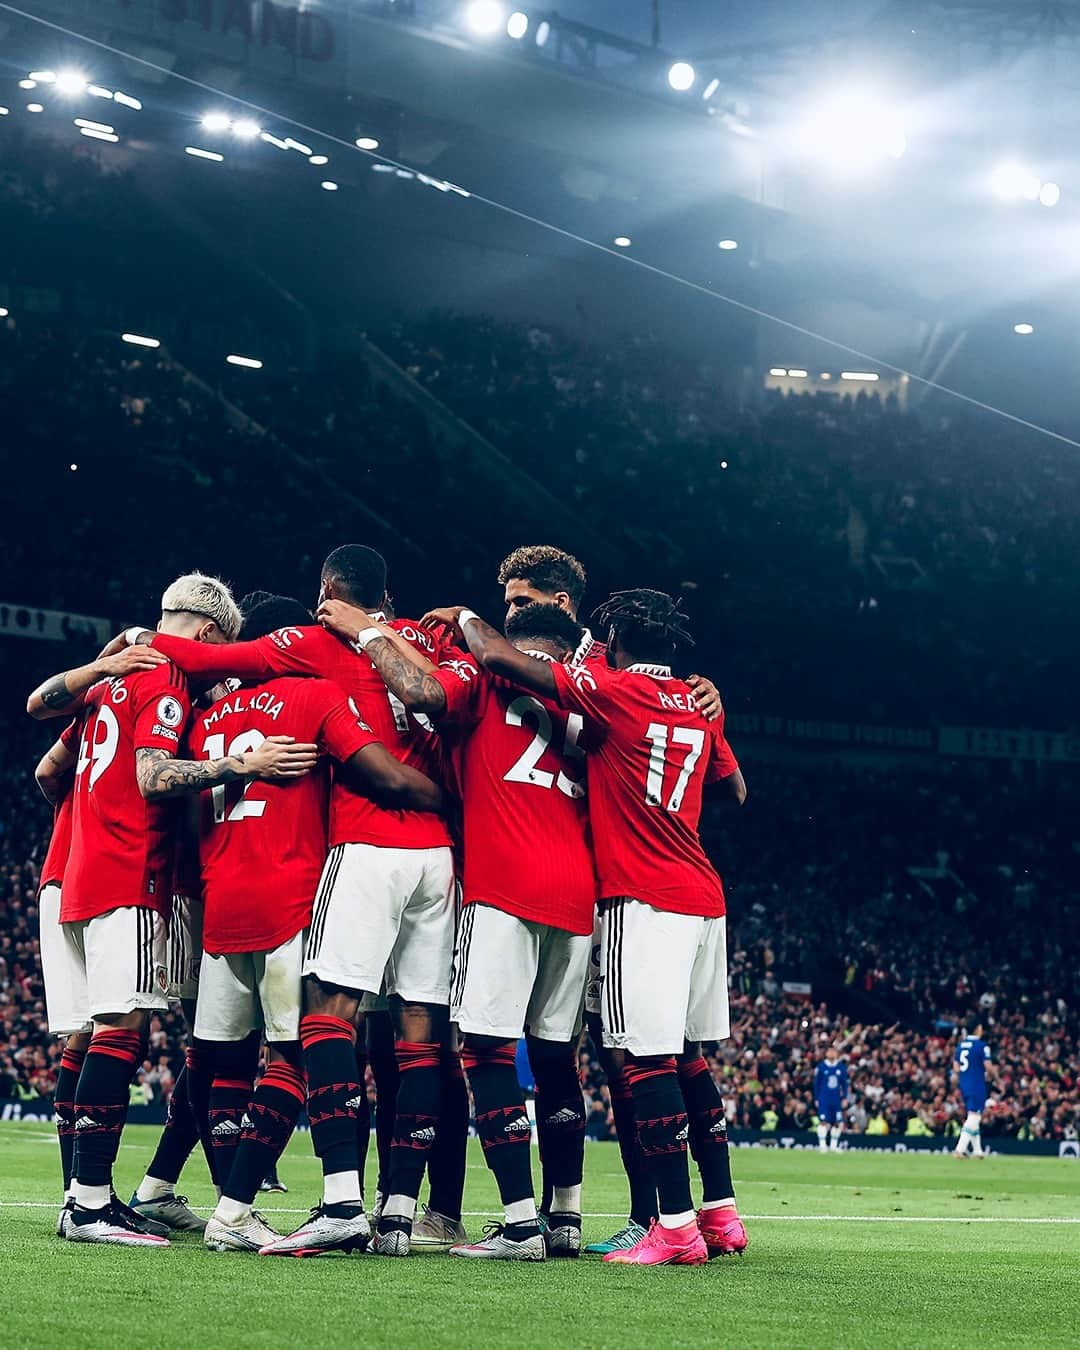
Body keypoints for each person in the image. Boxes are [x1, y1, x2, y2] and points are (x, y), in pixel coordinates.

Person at [128, 547, 457, 1257]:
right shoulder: (318, 694)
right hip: (296, 899)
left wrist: (133, 642)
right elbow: (384, 771)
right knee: (311, 1050)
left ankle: (217, 1202)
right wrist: (454, 805)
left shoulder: (201, 724)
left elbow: (170, 778)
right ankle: (360, 1202)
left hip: (221, 904)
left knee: (213, 1060)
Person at [419, 588, 748, 1268]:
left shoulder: (610, 690)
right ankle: (720, 1214)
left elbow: (501, 659)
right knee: (687, 1057)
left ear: (620, 642)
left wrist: (465, 617)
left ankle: (675, 1228)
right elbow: (735, 789)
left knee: (642, 1060)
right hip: (703, 892)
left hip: (640, 894)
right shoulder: (694, 700)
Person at [27, 573, 313, 1246]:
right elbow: (155, 777)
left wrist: (91, 822)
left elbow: (45, 765)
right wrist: (246, 763)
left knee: (92, 1032)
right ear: (213, 635)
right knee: (124, 1026)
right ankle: (92, 1204)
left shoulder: (111, 680)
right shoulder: (165, 683)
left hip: (72, 868)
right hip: (129, 872)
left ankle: (83, 1193)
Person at [320, 598, 594, 1261]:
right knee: (557, 1059)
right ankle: (565, 1218)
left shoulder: (487, 679)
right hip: (579, 892)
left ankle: (521, 1224)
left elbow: (419, 690)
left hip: (505, 882)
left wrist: (368, 629)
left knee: (486, 1054)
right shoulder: (591, 700)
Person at [497, 546, 725, 1254]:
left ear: (563, 602)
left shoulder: (599, 674)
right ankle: (700, 1210)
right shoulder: (644, 683)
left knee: (631, 1054)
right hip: (601, 885)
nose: (514, 612)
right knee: (617, 1051)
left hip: (622, 890)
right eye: (505, 602)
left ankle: (658, 1215)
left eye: (524, 599)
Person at [954, 1024, 993, 1159]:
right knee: (974, 1116)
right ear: (977, 1028)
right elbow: (988, 1066)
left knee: (973, 1115)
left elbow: (956, 1067)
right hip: (976, 1084)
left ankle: (978, 1151)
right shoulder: (982, 1046)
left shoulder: (961, 1045)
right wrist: (995, 1077)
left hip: (964, 1084)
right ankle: (960, 1149)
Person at [813, 1048, 849, 1152]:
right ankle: (822, 1145)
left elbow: (844, 1085)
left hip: (836, 1099)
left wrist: (844, 1098)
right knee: (823, 1121)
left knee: (837, 1122)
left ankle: (833, 1145)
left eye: (834, 1051)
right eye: (829, 1051)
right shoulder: (821, 1067)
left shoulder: (841, 1068)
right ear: (826, 1053)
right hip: (824, 1098)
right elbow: (816, 1084)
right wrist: (816, 1098)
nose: (832, 1053)